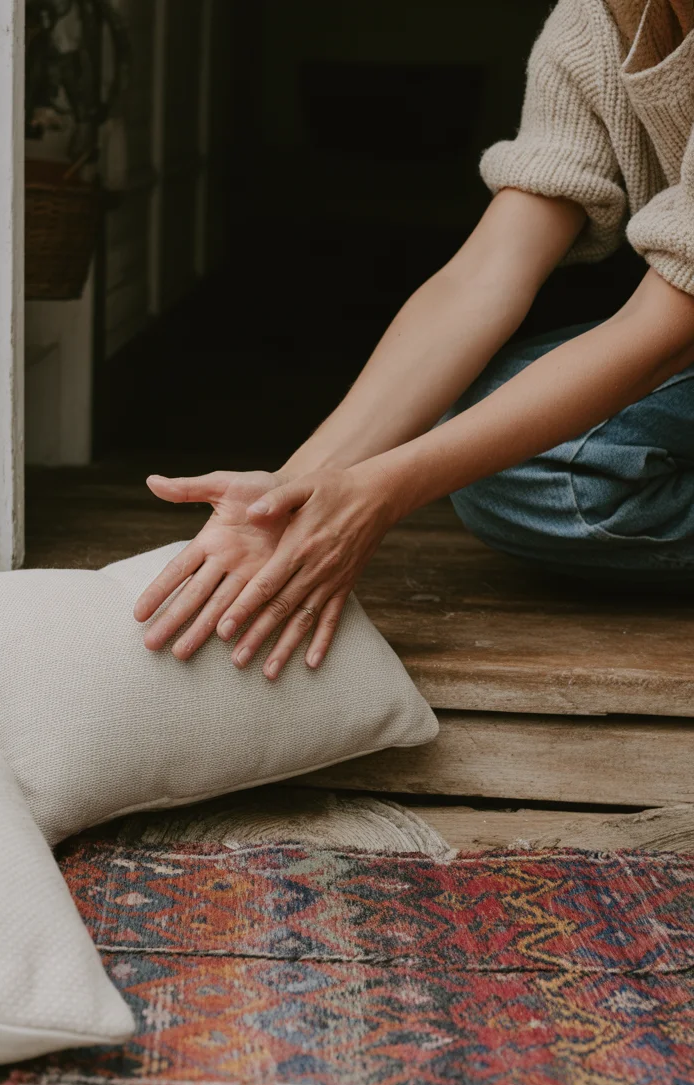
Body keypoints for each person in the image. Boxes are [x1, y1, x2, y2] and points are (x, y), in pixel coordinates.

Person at [134, 0, 694, 680]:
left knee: (532, 466)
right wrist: (295, 490)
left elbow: (665, 329)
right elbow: (485, 274)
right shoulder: (600, 21)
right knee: (514, 454)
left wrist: (379, 492)